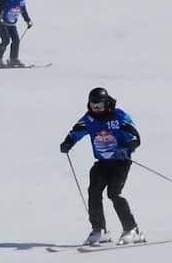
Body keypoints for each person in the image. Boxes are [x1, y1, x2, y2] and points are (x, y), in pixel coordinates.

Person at [59, 88, 143, 246]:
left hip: (120, 162)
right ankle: (99, 230)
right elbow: (76, 132)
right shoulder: (89, 119)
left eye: (99, 106)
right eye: (93, 106)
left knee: (114, 193)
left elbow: (135, 137)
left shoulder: (119, 117)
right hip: (102, 163)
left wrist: (126, 149)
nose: (96, 109)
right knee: (94, 192)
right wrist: (68, 143)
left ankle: (132, 229)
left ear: (107, 104)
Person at [0, 0, 32, 68]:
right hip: (2, 24)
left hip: (12, 24)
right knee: (6, 40)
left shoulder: (21, 1)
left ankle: (13, 60)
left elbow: (23, 11)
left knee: (16, 40)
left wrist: (28, 20)